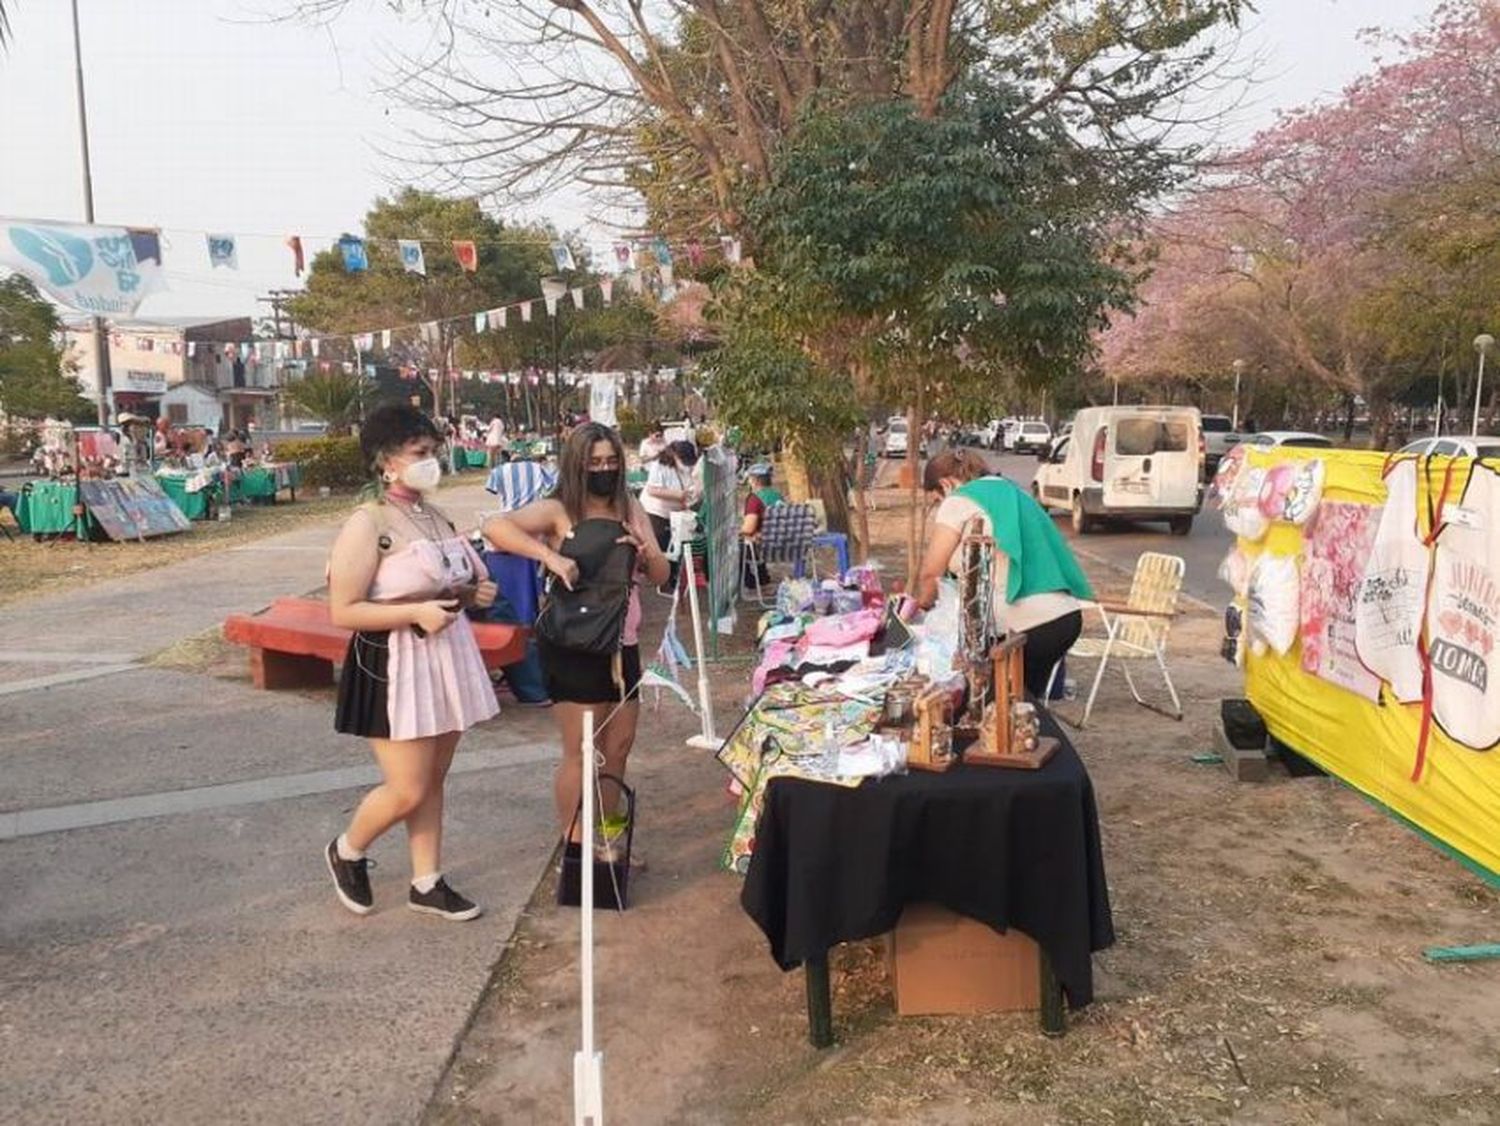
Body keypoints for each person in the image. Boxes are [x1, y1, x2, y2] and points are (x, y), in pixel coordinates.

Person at [323, 403, 500, 922]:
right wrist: (414, 613)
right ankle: (348, 849)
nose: (431, 463)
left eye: (434, 453)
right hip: (393, 665)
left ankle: (427, 880)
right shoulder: (369, 522)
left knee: (433, 779)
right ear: (387, 462)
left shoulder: (433, 513)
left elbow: (446, 587)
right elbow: (343, 609)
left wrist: (472, 593)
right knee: (408, 785)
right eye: (419, 454)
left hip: (446, 657)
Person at [480, 423, 670, 846]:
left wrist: (645, 553)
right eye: (594, 462)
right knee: (582, 750)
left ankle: (606, 841)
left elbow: (661, 574)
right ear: (577, 465)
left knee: (618, 746)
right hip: (575, 643)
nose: (604, 469)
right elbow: (495, 527)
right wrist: (549, 555)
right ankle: (576, 846)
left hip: (623, 644)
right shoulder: (558, 510)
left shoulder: (630, 507)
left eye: (611, 461)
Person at [916, 449, 1093, 697]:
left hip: (1027, 625)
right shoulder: (1012, 491)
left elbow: (931, 573)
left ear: (945, 484)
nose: (939, 506)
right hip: (1064, 616)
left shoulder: (960, 500)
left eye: (936, 499)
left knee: (996, 706)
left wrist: (918, 608)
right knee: (1020, 707)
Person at [640, 442, 698, 593]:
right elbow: (652, 489)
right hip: (656, 511)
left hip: (675, 511)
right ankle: (663, 581)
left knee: (675, 546)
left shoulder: (685, 467)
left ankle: (672, 579)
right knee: (662, 545)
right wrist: (677, 495)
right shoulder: (660, 465)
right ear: (676, 456)